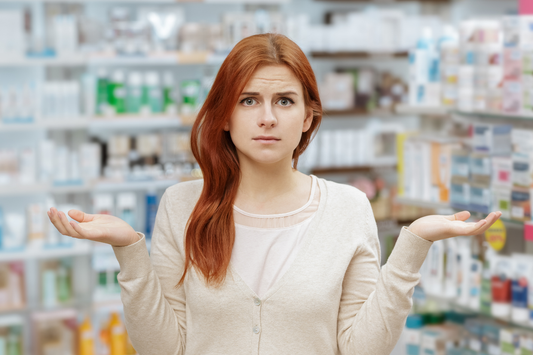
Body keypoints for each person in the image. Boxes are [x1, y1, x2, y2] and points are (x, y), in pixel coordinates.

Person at [47, 33, 501, 355]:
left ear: (307, 117)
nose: (267, 117)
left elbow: (360, 349)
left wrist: (411, 247)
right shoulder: (182, 206)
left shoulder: (347, 208)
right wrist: (129, 251)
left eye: (284, 101)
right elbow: (164, 348)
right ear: (224, 115)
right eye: (248, 101)